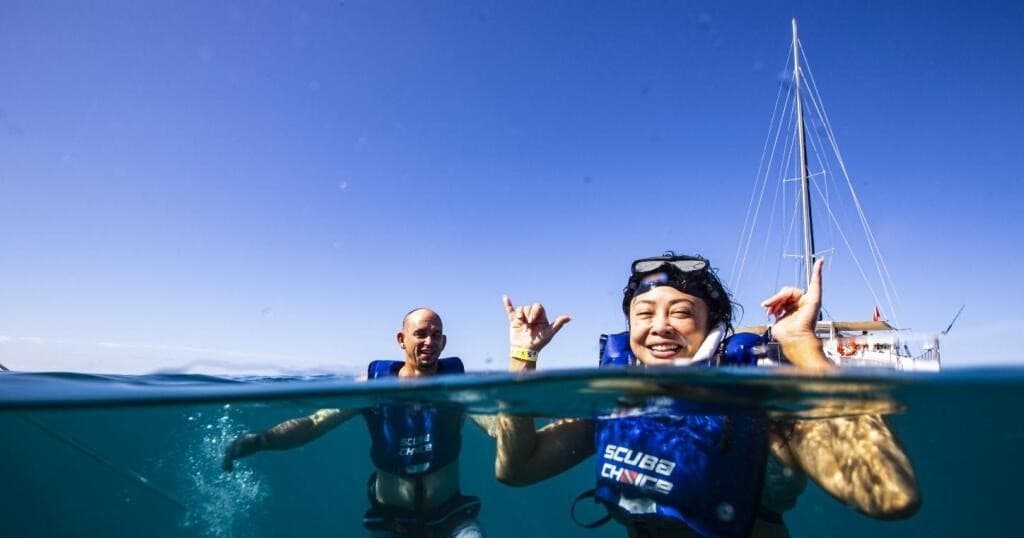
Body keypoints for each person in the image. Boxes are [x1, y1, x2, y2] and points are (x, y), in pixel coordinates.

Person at [495, 252, 919, 538]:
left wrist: (803, 344)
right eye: (644, 313)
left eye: (681, 312)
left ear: (711, 327)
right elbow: (517, 468)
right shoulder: (614, 402)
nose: (660, 325)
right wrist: (522, 357)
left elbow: (889, 495)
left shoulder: (756, 406)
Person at [223, 308, 494, 538]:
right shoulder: (372, 387)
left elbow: (497, 426)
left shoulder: (459, 388)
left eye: (436, 335)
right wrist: (261, 441)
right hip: (391, 523)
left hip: (451, 518)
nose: (429, 342)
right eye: (421, 333)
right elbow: (315, 422)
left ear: (444, 342)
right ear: (401, 339)